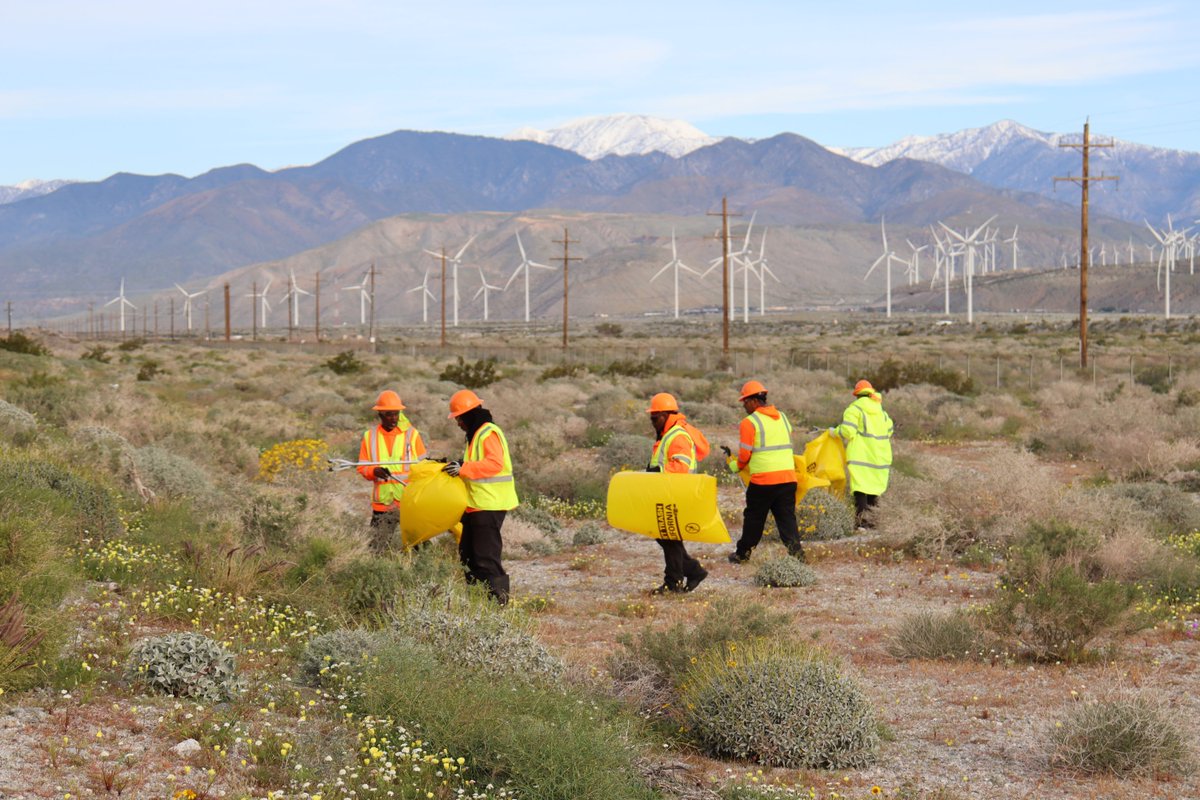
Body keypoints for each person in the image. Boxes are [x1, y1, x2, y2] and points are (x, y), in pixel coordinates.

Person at [443, 389, 518, 604]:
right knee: (468, 557)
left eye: (458, 418)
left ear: (468, 414)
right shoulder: (475, 434)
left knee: (486, 560)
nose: (458, 423)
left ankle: (497, 607)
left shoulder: (487, 432)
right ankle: (478, 603)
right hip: (476, 506)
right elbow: (474, 464)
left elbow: (494, 464)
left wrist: (464, 467)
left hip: (490, 505)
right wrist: (457, 465)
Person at [724, 380, 806, 564]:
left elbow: (745, 455)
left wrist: (735, 466)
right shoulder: (783, 417)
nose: (744, 406)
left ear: (753, 401)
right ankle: (798, 555)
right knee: (787, 520)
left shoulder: (749, 422)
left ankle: (742, 554)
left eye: (745, 401)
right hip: (787, 478)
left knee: (754, 519)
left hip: (763, 482)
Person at [645, 392, 710, 594]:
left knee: (669, 538)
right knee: (666, 537)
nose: (652, 422)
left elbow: (681, 466)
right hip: (669, 493)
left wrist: (658, 472)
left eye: (654, 418)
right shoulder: (669, 433)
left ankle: (673, 582)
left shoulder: (677, 435)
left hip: (677, 494)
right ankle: (692, 571)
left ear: (665, 415)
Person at [357, 389, 426, 554]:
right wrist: (374, 471)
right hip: (383, 505)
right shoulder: (369, 436)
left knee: (419, 550)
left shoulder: (412, 435)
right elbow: (362, 467)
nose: (393, 418)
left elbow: (424, 466)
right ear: (380, 414)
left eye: (396, 413)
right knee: (377, 550)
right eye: (389, 414)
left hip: (408, 502)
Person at [836, 380, 894, 530]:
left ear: (856, 395)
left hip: (861, 456)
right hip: (880, 456)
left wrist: (835, 431)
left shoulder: (854, 409)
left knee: (860, 489)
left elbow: (848, 432)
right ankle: (874, 523)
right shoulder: (881, 411)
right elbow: (889, 430)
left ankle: (861, 524)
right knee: (874, 489)